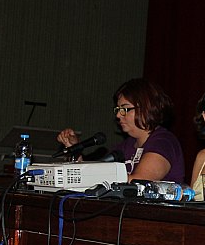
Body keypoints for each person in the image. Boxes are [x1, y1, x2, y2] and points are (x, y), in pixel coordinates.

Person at [57, 78, 185, 183]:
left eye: (125, 109)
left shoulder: (164, 141)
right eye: (118, 109)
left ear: (147, 107)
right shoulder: (126, 145)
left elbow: (139, 181)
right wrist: (75, 149)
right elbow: (94, 176)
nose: (118, 115)